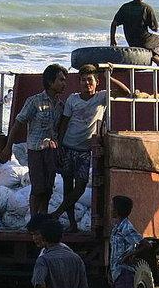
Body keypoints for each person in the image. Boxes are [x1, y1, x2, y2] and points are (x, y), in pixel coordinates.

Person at [55, 64, 131, 233]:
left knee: (80, 187)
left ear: (97, 82)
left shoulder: (101, 97)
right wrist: (59, 145)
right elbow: (64, 124)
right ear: (79, 82)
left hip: (84, 151)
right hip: (68, 147)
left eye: (90, 80)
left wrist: (108, 77)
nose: (86, 83)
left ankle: (57, 213)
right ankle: (72, 224)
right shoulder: (72, 100)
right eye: (83, 80)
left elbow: (126, 92)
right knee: (68, 187)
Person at [5, 64, 68, 216]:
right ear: (50, 82)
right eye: (60, 80)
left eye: (64, 80)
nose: (64, 83)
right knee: (38, 188)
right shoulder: (35, 101)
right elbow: (18, 123)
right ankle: (34, 219)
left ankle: (43, 216)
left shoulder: (61, 105)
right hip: (36, 150)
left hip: (51, 151)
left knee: (48, 188)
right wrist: (8, 146)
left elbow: (60, 130)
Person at [111, 0, 159, 66]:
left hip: (132, 41)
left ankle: (156, 58)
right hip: (144, 40)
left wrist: (113, 39)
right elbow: (155, 29)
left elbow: (114, 24)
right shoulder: (147, 8)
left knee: (151, 46)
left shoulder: (125, 7)